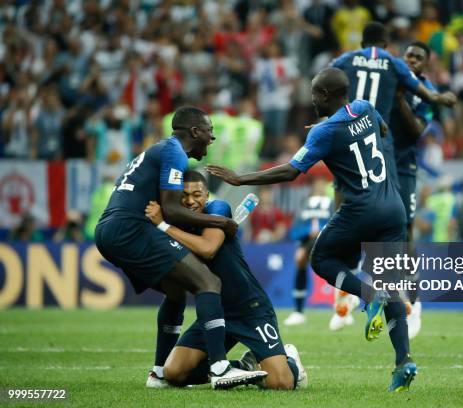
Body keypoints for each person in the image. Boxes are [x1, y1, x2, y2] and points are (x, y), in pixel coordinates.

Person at [208, 67, 417, 392]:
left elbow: (292, 171)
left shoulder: (323, 133)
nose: (310, 98)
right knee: (390, 284)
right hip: (393, 208)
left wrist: (241, 178)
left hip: (360, 209)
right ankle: (404, 360)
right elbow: (383, 126)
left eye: (314, 93)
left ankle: (368, 295)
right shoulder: (363, 107)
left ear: (323, 96)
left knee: (320, 259)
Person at [94, 106, 264, 390]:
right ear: (195, 131)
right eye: (209, 131)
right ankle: (221, 368)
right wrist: (221, 221)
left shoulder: (158, 150)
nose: (211, 138)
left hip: (109, 230)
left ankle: (159, 373)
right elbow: (172, 210)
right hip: (130, 228)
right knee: (208, 282)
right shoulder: (173, 152)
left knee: (176, 292)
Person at [144, 171, 305, 390]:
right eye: (184, 195)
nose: (191, 200)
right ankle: (244, 366)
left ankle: (292, 361)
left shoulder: (217, 209)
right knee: (175, 373)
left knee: (281, 383)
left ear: (207, 195)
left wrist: (162, 225)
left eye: (197, 194)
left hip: (250, 308)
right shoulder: (176, 225)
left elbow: (208, 249)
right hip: (214, 313)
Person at [331, 22, 456, 190]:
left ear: (362, 43)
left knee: (345, 189)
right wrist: (441, 98)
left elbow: (323, 81)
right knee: (389, 194)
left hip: (348, 133)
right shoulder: (394, 64)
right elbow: (428, 94)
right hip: (378, 136)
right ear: (385, 44)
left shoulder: (346, 59)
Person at [389, 41, 438, 339]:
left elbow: (417, 131)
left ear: (425, 64)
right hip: (380, 166)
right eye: (408, 55)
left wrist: (400, 98)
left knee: (406, 232)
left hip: (405, 168)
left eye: (418, 57)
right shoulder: (390, 80)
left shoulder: (426, 92)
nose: (412, 60)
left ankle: (415, 304)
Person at [284, 176, 334, 327]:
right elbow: (294, 230)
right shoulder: (304, 206)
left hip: (328, 240)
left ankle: (342, 308)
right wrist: (307, 234)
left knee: (336, 265)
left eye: (322, 185)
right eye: (317, 185)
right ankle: (298, 311)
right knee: (300, 259)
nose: (319, 188)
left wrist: (321, 231)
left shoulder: (332, 204)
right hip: (307, 241)